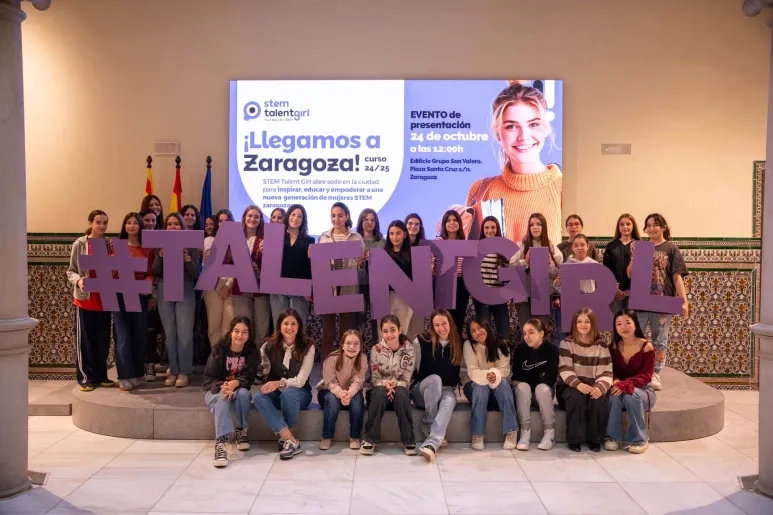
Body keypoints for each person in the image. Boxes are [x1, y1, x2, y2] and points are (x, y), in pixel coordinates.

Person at [463, 81, 562, 244]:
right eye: (511, 126)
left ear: (546, 128)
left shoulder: (563, 189)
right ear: (497, 133)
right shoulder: (480, 191)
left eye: (534, 124)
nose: (524, 136)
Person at [627, 213, 689, 391]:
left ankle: (655, 373)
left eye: (656, 225)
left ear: (663, 227)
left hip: (663, 301)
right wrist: (634, 256)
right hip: (641, 300)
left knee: (659, 339)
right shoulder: (639, 247)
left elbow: (677, 277)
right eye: (648, 225)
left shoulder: (671, 249)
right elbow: (630, 274)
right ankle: (637, 370)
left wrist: (684, 301)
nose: (652, 228)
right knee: (636, 337)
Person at [252, 308, 314, 460]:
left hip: (300, 394)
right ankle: (289, 439)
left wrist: (279, 383)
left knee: (289, 392)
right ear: (279, 325)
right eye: (285, 323)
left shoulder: (308, 346)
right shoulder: (268, 346)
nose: (289, 327)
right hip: (277, 392)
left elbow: (300, 381)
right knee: (259, 397)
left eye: (293, 323)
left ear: (299, 326)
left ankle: (287, 436)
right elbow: (265, 369)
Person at [66, 210, 114, 392]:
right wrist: (78, 281)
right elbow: (71, 270)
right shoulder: (80, 244)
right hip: (86, 300)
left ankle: (101, 376)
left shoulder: (110, 245)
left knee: (103, 342)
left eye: (105, 223)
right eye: (98, 222)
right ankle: (85, 377)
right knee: (85, 341)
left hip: (104, 300)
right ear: (91, 223)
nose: (102, 226)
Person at [153, 212, 201, 388]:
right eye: (170, 224)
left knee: (185, 334)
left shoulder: (191, 244)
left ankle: (184, 371)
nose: (173, 227)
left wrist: (187, 260)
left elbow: (196, 273)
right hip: (165, 289)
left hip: (186, 289)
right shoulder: (160, 244)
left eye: (176, 224)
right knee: (170, 334)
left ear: (182, 226)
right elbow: (155, 270)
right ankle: (173, 370)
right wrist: (160, 256)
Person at [203, 316, 258, 468]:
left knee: (243, 394)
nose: (240, 336)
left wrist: (236, 383)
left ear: (249, 334)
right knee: (222, 400)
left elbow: (250, 378)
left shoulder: (252, 351)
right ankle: (221, 444)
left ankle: (241, 431)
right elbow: (208, 379)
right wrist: (224, 386)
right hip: (216, 390)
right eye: (237, 331)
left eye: (244, 332)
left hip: (238, 390)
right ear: (230, 332)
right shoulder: (219, 350)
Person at [557, 308, 612, 452]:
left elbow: (606, 371)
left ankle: (595, 440)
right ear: (574, 324)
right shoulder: (566, 343)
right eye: (579, 321)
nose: (583, 325)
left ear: (593, 324)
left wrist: (600, 387)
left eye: (587, 321)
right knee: (576, 397)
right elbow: (564, 369)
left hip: (593, 386)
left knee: (599, 400)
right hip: (570, 387)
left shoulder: (601, 345)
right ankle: (573, 440)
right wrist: (578, 384)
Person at [411, 309, 462, 462]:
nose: (441, 328)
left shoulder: (458, 342)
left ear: (450, 323)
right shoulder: (421, 341)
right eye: (437, 325)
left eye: (444, 324)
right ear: (432, 326)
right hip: (423, 389)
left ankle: (431, 444)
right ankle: (428, 423)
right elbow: (413, 369)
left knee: (448, 402)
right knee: (435, 379)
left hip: (447, 389)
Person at [361, 315, 417, 456]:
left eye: (392, 330)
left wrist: (395, 384)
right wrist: (385, 383)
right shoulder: (376, 349)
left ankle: (409, 440)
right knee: (379, 391)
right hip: (378, 392)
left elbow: (406, 379)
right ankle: (370, 439)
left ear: (400, 330)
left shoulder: (409, 350)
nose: (389, 334)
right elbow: (374, 379)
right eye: (385, 331)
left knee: (400, 392)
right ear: (381, 332)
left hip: (400, 392)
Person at [317, 202, 365, 358]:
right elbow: (318, 265)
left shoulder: (356, 237)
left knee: (347, 334)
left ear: (347, 216)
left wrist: (360, 263)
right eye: (333, 215)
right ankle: (326, 370)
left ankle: (346, 367)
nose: (336, 219)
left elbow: (363, 265)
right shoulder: (323, 237)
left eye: (340, 215)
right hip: (328, 290)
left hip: (348, 289)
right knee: (328, 333)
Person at [462, 317, 518, 451]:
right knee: (481, 387)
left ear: (487, 326)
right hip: (474, 387)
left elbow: (504, 369)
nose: (477, 333)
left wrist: (494, 375)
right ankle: (477, 434)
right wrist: (488, 376)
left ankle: (511, 431)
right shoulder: (469, 345)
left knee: (503, 383)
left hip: (497, 389)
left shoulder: (501, 343)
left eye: (479, 328)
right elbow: (472, 370)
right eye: (473, 331)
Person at [112, 212, 154, 391]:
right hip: (119, 294)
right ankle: (123, 375)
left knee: (138, 335)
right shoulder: (115, 246)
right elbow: (110, 273)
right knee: (122, 336)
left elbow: (151, 272)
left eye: (135, 223)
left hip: (140, 296)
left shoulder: (148, 248)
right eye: (128, 223)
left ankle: (137, 373)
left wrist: (146, 287)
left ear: (140, 226)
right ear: (124, 226)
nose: (131, 226)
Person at [606, 309, 656, 454]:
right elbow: (610, 370)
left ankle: (640, 439)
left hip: (643, 390)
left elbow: (646, 376)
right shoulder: (613, 347)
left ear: (635, 324)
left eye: (628, 322)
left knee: (630, 395)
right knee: (614, 396)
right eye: (619, 324)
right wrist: (615, 380)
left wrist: (625, 384)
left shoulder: (646, 346)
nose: (624, 327)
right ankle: (612, 437)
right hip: (619, 389)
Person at [509, 212, 562, 338]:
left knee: (541, 329)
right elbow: (511, 267)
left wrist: (549, 264)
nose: (535, 227)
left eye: (539, 224)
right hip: (523, 294)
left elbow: (557, 273)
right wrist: (525, 262)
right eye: (532, 224)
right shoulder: (522, 245)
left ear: (544, 227)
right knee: (526, 329)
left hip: (543, 293)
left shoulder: (551, 246)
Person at [511, 318, 558, 451]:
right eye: (524, 333)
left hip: (542, 393)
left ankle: (550, 433)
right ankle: (525, 432)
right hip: (525, 393)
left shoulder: (552, 350)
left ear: (541, 333)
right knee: (522, 387)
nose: (527, 337)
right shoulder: (520, 349)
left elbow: (550, 378)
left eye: (531, 332)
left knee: (541, 388)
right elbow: (516, 377)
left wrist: (534, 383)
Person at [317, 329, 368, 451]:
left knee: (358, 400)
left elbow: (358, 381)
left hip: (350, 392)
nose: (352, 347)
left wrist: (348, 394)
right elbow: (330, 382)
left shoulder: (363, 359)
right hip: (329, 391)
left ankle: (354, 437)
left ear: (360, 346)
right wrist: (341, 393)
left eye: (356, 343)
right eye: (348, 343)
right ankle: (326, 436)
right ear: (343, 346)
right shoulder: (331, 359)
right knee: (332, 399)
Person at [231, 205, 271, 341]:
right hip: (240, 290)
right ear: (244, 218)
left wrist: (259, 270)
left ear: (260, 220)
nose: (252, 219)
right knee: (243, 327)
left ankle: (260, 360)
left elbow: (273, 266)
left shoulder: (267, 240)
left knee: (262, 328)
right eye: (250, 216)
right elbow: (228, 263)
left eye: (256, 216)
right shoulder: (234, 238)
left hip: (261, 290)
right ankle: (246, 360)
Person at [270, 204, 314, 327]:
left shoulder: (309, 240)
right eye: (293, 214)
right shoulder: (276, 237)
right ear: (288, 216)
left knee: (298, 327)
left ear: (303, 220)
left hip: (299, 289)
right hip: (278, 288)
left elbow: (308, 267)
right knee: (279, 326)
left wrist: (308, 289)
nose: (295, 218)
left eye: (300, 216)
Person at [473, 216, 511, 341]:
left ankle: (504, 359)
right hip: (482, 297)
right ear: (482, 230)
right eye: (487, 227)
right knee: (485, 334)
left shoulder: (504, 247)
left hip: (499, 296)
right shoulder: (477, 248)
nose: (490, 230)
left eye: (493, 227)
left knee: (504, 333)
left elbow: (509, 272)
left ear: (497, 229)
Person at [553, 233, 596, 342]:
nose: (579, 248)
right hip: (571, 303)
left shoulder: (595, 265)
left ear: (588, 246)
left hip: (589, 302)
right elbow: (560, 288)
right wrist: (558, 283)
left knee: (587, 331)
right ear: (572, 248)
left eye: (582, 245)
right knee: (573, 331)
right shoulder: (567, 265)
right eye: (576, 245)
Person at [202, 215, 235, 348]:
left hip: (231, 286)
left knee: (228, 327)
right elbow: (207, 266)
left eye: (226, 220)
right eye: (220, 221)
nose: (223, 223)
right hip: (213, 285)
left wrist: (228, 285)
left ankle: (228, 360)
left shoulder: (238, 241)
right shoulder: (209, 240)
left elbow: (239, 266)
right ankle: (217, 362)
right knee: (213, 327)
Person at [436, 209, 471, 334]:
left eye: (455, 220)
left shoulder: (465, 243)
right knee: (444, 319)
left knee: (458, 320)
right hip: (444, 285)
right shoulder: (438, 242)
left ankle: (457, 351)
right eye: (448, 220)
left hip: (461, 285)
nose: (452, 223)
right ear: (444, 224)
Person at [356, 208, 385, 345]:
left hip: (377, 287)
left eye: (372, 220)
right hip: (358, 286)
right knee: (359, 323)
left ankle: (377, 357)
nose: (369, 222)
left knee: (377, 324)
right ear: (361, 221)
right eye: (366, 219)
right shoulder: (354, 240)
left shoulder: (382, 242)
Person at [603, 214, 641, 314]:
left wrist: (631, 289)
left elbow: (643, 271)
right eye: (622, 224)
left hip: (634, 293)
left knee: (632, 324)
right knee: (616, 323)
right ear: (618, 227)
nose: (625, 227)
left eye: (628, 224)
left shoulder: (640, 245)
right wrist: (614, 289)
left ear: (633, 226)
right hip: (615, 292)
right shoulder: (611, 246)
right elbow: (606, 270)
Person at [385, 220, 414, 333]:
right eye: (391, 233)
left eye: (398, 233)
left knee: (402, 330)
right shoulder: (382, 253)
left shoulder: (412, 254)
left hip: (405, 298)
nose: (395, 237)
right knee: (385, 331)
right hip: (385, 298)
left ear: (405, 234)